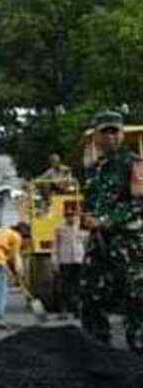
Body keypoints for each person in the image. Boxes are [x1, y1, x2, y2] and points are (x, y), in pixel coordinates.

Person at [79, 110, 143, 351]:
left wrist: (105, 220)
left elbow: (138, 204)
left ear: (122, 134)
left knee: (136, 297)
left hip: (128, 243)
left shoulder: (134, 164)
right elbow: (90, 203)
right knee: (89, 294)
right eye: (104, 132)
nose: (110, 137)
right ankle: (98, 350)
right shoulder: (94, 169)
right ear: (95, 135)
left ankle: (137, 354)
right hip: (99, 242)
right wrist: (88, 217)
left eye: (114, 131)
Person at [53, 212, 88, 320]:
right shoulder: (59, 228)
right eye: (69, 216)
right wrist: (55, 262)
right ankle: (63, 311)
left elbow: (87, 244)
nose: (71, 218)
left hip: (79, 260)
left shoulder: (82, 228)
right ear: (66, 217)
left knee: (79, 286)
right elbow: (55, 246)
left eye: (73, 216)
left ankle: (78, 310)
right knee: (64, 287)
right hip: (65, 261)